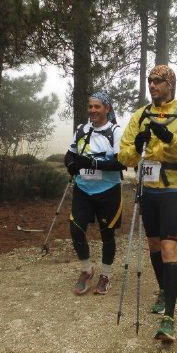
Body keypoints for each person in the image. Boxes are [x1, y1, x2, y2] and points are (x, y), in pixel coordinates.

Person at [118, 65, 177, 343]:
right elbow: (124, 156)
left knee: (170, 249)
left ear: (170, 84)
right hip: (148, 189)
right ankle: (163, 290)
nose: (152, 85)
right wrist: (137, 145)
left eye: (158, 81)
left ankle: (169, 318)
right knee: (155, 246)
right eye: (150, 81)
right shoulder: (140, 116)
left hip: (173, 189)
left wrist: (173, 139)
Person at [64, 92, 125, 296]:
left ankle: (105, 275)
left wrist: (93, 163)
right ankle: (87, 269)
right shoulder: (82, 129)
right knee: (75, 229)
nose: (92, 110)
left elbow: (120, 163)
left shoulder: (115, 131)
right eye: (90, 107)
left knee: (107, 234)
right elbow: (70, 152)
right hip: (83, 189)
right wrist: (71, 164)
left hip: (108, 191)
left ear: (107, 109)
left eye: (97, 107)